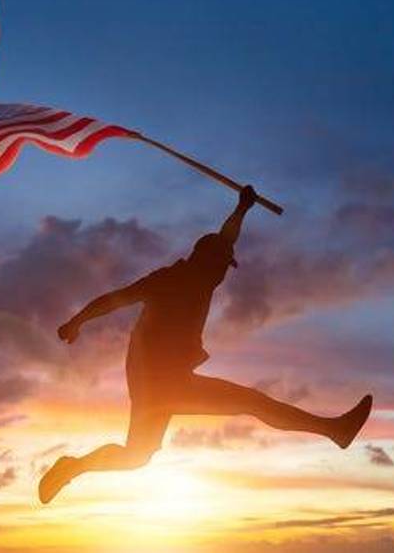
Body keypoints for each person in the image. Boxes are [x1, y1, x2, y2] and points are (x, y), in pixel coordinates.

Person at [39, 185, 372, 505]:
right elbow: (114, 300)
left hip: (153, 385)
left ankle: (73, 467)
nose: (224, 274)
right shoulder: (169, 280)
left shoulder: (203, 277)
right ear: (207, 260)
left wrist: (242, 208)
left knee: (137, 456)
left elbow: (225, 239)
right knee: (252, 402)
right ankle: (333, 429)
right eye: (223, 265)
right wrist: (77, 321)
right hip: (161, 382)